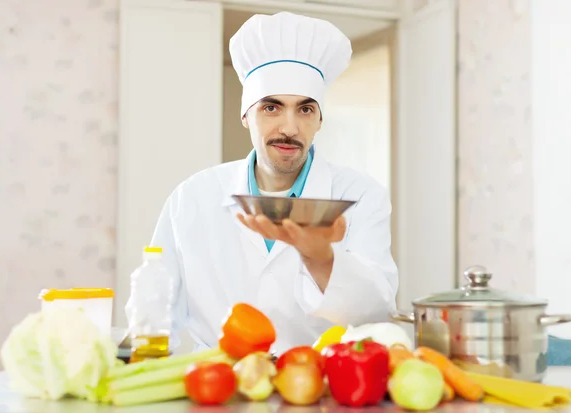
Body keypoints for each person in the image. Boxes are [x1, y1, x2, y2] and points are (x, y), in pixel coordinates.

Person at [125, 11, 399, 354]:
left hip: (317, 385)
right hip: (219, 385)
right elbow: (153, 309)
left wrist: (322, 259)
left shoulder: (360, 196)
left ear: (319, 120)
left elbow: (377, 314)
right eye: (271, 108)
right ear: (246, 116)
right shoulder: (192, 197)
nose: (289, 127)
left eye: (305, 109)